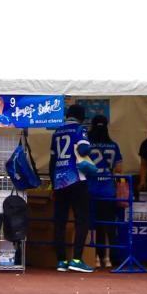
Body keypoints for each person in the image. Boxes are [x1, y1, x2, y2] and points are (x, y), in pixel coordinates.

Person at [49, 103, 93, 273]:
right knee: (82, 219)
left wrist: (53, 184)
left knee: (59, 221)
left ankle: (61, 260)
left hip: (59, 181)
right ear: (81, 117)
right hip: (76, 179)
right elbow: (84, 148)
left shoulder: (57, 132)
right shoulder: (79, 129)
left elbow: (52, 160)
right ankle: (76, 259)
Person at [83, 117, 124, 270]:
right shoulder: (113, 145)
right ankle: (110, 258)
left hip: (91, 189)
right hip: (108, 189)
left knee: (93, 226)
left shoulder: (87, 146)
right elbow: (119, 169)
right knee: (109, 226)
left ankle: (94, 258)